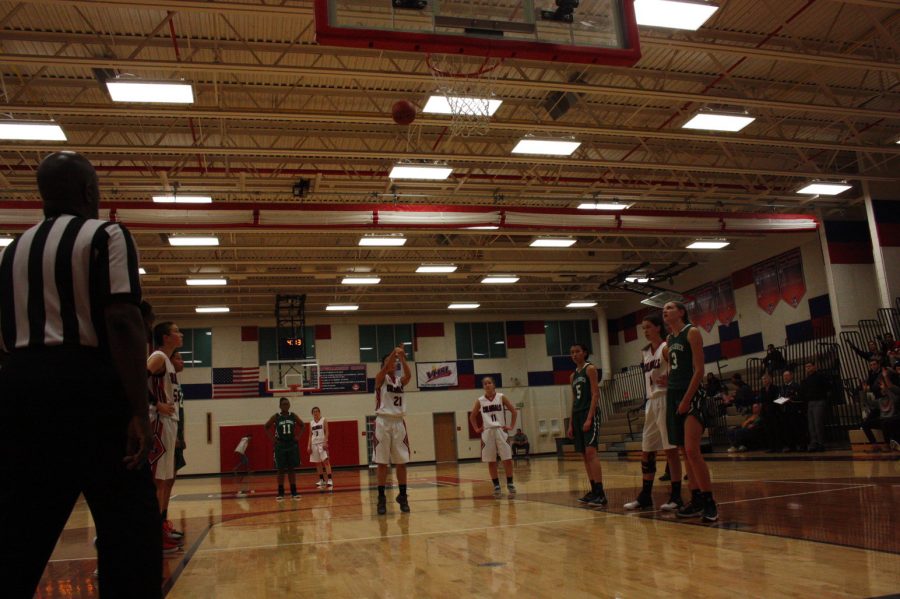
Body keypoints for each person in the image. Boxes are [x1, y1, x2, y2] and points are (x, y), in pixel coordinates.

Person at [0, 151, 161, 597]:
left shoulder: (14, 249)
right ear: (90, 191)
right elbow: (123, 320)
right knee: (130, 529)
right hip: (88, 388)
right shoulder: (106, 234)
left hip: (20, 387)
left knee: (18, 531)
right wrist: (138, 410)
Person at [662, 301, 718, 523]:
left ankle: (709, 502)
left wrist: (686, 399)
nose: (665, 311)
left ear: (681, 312)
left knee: (693, 450)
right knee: (684, 450)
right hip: (673, 393)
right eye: (663, 310)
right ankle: (695, 499)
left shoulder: (691, 332)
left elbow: (699, 370)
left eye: (670, 308)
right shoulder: (669, 339)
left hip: (691, 395)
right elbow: (675, 367)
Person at [624, 312, 684, 512]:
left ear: (659, 327)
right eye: (643, 328)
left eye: (648, 327)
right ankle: (645, 496)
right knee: (646, 450)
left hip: (665, 399)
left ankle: (676, 496)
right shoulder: (645, 352)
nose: (645, 331)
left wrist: (672, 380)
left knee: (670, 450)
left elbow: (682, 369)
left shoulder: (666, 348)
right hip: (651, 402)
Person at [147, 321, 185, 552]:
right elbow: (137, 378)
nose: (180, 334)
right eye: (176, 331)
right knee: (158, 480)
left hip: (170, 423)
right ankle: (153, 532)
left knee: (165, 478)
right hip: (159, 422)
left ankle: (160, 526)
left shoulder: (168, 362)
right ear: (165, 337)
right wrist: (156, 404)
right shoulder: (158, 357)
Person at [567, 343, 607, 507]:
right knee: (584, 454)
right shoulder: (572, 376)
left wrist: (589, 418)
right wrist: (570, 424)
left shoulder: (590, 369)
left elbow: (595, 394)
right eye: (572, 352)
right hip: (577, 415)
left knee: (591, 452)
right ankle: (593, 490)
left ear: (585, 353)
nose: (574, 354)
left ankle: (601, 492)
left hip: (588, 412)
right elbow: (573, 400)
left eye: (577, 351)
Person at [374, 347, 413, 515]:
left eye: (394, 363)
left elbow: (409, 376)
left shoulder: (399, 381)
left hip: (398, 422)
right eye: (390, 362)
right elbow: (384, 370)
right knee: (382, 463)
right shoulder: (380, 379)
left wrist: (402, 358)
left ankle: (403, 496)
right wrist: (392, 353)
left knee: (401, 462)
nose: (393, 364)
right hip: (383, 422)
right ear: (385, 365)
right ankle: (381, 498)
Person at [469, 376, 518, 498]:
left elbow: (514, 411)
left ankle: (510, 483)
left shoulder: (501, 397)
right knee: (491, 460)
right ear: (483, 386)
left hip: (500, 430)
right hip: (487, 432)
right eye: (485, 384)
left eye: (489, 383)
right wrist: (476, 429)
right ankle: (496, 485)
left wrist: (511, 426)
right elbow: (472, 416)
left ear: (494, 385)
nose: (487, 385)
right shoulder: (480, 400)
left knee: (507, 458)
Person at [265, 398, 303, 501]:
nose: (286, 405)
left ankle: (293, 492)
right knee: (280, 469)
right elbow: (266, 426)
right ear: (280, 406)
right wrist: (273, 439)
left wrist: (298, 437)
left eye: (287, 403)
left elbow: (302, 425)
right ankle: (280, 493)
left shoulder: (293, 416)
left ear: (289, 405)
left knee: (291, 469)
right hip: (280, 445)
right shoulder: (276, 417)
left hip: (291, 444)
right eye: (284, 404)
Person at [800, 361, 830, 452]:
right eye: (806, 367)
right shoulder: (806, 379)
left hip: (819, 401)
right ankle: (814, 443)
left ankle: (821, 443)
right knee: (811, 425)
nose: (807, 368)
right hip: (810, 402)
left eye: (809, 366)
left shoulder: (821, 376)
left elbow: (827, 388)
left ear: (814, 367)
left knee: (818, 423)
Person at [779, 370, 804, 452]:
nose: (785, 378)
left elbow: (800, 397)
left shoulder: (796, 386)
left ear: (791, 376)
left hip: (794, 410)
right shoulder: (782, 387)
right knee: (787, 429)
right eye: (784, 376)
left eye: (787, 376)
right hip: (785, 410)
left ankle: (800, 445)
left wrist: (791, 399)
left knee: (796, 428)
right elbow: (780, 397)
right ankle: (790, 445)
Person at [757, 373, 783, 452]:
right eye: (763, 379)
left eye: (765, 379)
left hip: (774, 411)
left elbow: (778, 399)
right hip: (765, 412)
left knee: (776, 429)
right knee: (768, 430)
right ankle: (771, 447)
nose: (764, 381)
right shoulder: (762, 390)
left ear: (770, 379)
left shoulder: (775, 388)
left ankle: (778, 446)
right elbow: (761, 400)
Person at [309, 406, 333, 488]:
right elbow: (310, 435)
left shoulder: (324, 420)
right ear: (312, 413)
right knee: (317, 463)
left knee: (326, 461)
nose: (315, 413)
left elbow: (327, 432)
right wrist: (308, 445)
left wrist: (325, 442)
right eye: (314, 411)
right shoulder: (311, 422)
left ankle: (329, 480)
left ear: (319, 412)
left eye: (317, 411)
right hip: (314, 444)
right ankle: (322, 480)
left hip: (322, 444)